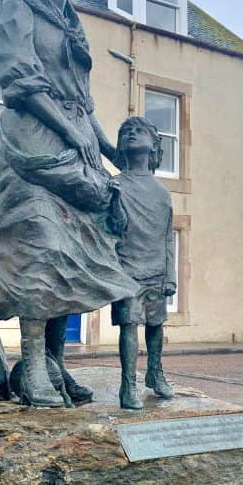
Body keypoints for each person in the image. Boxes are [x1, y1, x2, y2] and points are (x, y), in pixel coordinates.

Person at [0, 0, 138, 407]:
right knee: (42, 245)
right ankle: (31, 366)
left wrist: (104, 146)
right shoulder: (14, 3)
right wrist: (72, 131)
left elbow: (83, 101)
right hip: (33, 142)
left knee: (75, 253)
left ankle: (54, 363)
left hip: (74, 142)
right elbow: (19, 82)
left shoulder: (70, 18)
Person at [107, 117, 176, 410]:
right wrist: (113, 202)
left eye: (140, 130)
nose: (132, 134)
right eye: (126, 132)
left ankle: (155, 372)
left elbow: (168, 237)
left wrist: (170, 275)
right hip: (127, 270)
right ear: (121, 145)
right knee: (129, 326)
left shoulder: (162, 192)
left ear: (154, 145)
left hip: (156, 271)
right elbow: (112, 228)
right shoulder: (115, 185)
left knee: (156, 325)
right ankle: (127, 385)